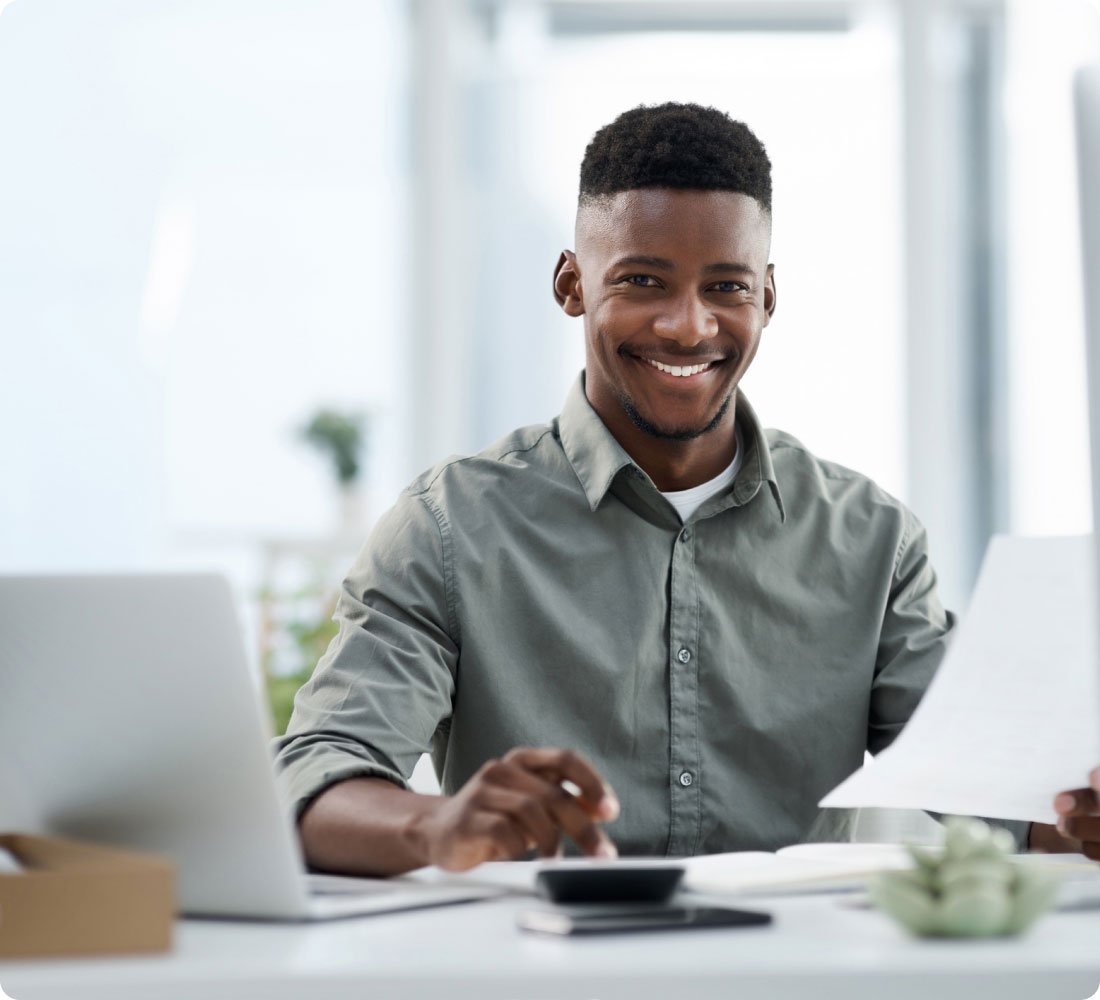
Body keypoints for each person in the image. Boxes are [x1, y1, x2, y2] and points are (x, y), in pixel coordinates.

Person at [273, 102, 1097, 874]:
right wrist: (434, 825)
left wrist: (1079, 813)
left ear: (766, 297)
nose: (688, 325)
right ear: (571, 285)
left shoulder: (873, 540)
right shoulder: (449, 528)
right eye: (642, 281)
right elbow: (315, 779)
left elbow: (998, 795)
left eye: (726, 287)